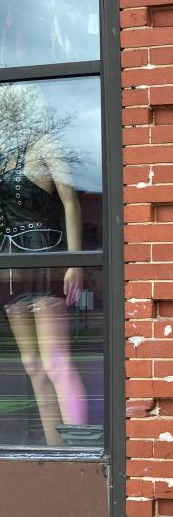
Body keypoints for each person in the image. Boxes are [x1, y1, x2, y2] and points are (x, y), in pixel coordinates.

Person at [0, 130, 88, 446]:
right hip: (12, 268)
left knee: (55, 362)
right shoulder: (7, 151)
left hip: (46, 259)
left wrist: (75, 261)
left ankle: (80, 447)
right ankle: (56, 447)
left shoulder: (47, 144)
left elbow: (70, 200)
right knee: (33, 366)